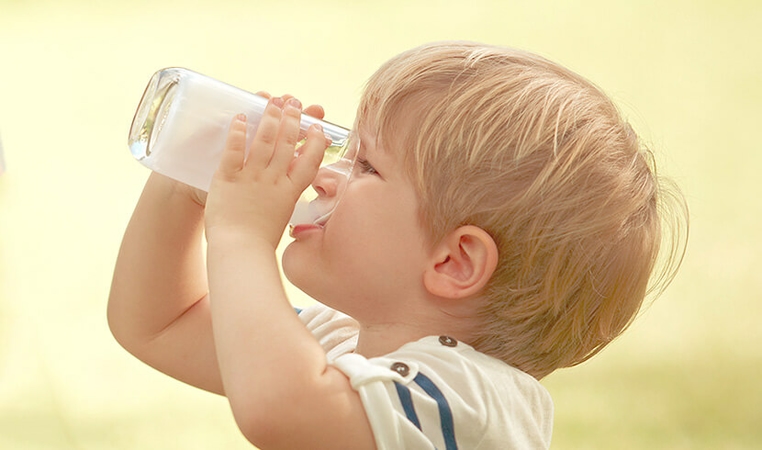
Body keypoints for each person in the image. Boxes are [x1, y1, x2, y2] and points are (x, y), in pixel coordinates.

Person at [108, 41, 687, 449]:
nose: (324, 176)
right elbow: (159, 323)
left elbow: (280, 410)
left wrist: (241, 236)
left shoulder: (473, 400)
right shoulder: (345, 340)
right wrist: (189, 183)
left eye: (365, 166)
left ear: (454, 262)